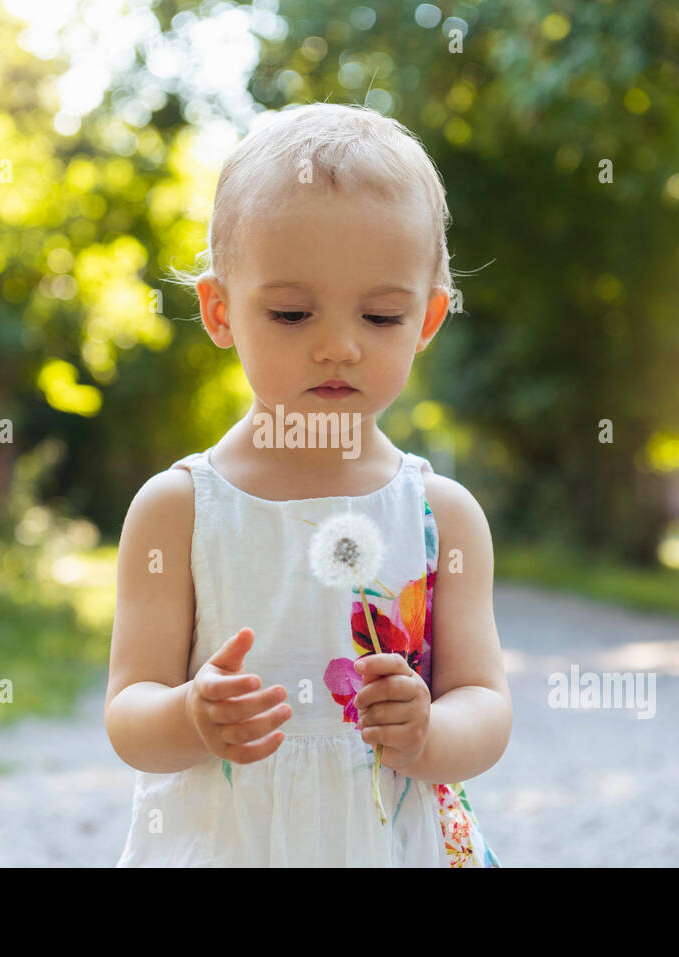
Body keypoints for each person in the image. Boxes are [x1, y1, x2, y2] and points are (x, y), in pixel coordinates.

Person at [106, 103, 510, 866]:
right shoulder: (180, 510)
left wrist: (429, 732)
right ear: (220, 310)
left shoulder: (440, 516)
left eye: (381, 315)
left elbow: (484, 702)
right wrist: (191, 716)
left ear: (426, 321)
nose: (337, 345)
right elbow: (129, 710)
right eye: (292, 313)